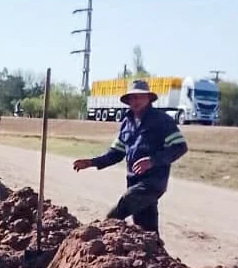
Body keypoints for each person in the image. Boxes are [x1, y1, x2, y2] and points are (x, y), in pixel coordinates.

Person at [73, 79, 188, 238]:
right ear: (127, 101)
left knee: (114, 216)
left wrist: (152, 161)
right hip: (134, 182)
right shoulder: (127, 123)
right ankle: (156, 258)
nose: (136, 101)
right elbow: (116, 153)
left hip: (153, 183)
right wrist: (92, 162)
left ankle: (97, 241)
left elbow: (180, 147)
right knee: (146, 232)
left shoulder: (162, 121)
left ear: (148, 98)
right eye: (132, 98)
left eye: (140, 97)